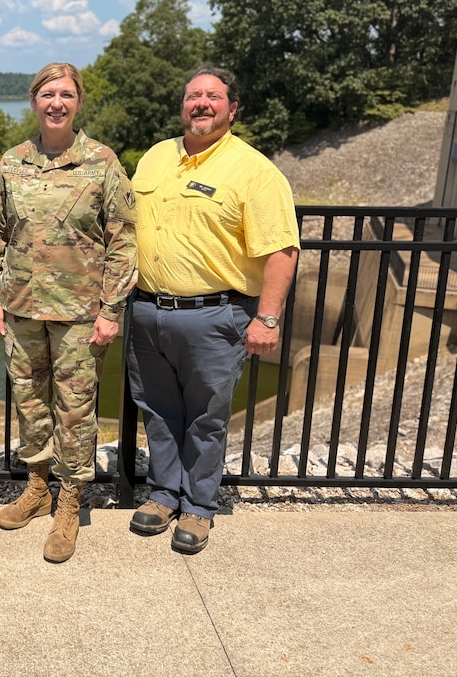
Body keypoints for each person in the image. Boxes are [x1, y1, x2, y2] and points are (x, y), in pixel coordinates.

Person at [127, 64, 299, 553]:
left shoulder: (255, 171)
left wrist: (267, 318)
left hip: (215, 316)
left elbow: (281, 251)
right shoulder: (156, 158)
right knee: (157, 412)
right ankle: (162, 494)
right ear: (182, 105)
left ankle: (199, 507)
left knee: (206, 416)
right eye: (193, 96)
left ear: (232, 108)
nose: (201, 103)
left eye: (213, 96)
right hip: (147, 310)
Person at [0, 62, 138, 563]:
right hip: (23, 311)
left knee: (75, 410)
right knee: (29, 403)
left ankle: (70, 501)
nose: (56, 103)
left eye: (66, 94)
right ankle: (36, 486)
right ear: (34, 101)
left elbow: (124, 241)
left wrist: (112, 309)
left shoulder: (102, 163)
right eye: (47, 94)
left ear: (78, 102)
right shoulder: (12, 163)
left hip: (81, 315)